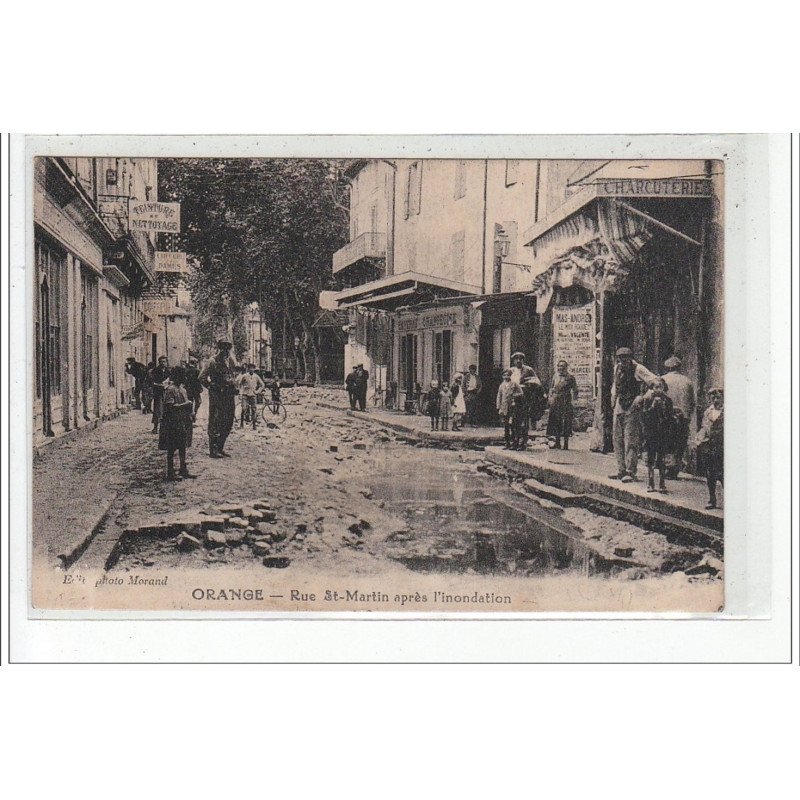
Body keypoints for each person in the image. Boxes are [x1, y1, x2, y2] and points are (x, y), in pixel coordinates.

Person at [609, 347, 657, 483]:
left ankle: (630, 471)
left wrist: (642, 397)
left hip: (632, 406)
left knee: (630, 439)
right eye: (620, 359)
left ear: (630, 358)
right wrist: (613, 396)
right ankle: (621, 469)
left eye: (625, 359)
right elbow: (615, 384)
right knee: (617, 438)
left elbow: (655, 382)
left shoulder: (639, 369)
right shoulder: (617, 368)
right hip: (619, 405)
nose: (622, 362)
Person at [199, 341, 237, 458]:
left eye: (228, 349)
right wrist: (211, 387)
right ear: (219, 349)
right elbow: (202, 377)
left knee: (228, 420)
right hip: (217, 396)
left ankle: (220, 447)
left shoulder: (231, 361)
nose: (225, 352)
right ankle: (213, 450)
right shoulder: (212, 361)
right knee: (216, 421)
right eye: (223, 349)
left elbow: (232, 376)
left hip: (229, 395)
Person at [158, 366, 196, 481]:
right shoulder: (170, 389)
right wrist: (185, 405)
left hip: (182, 421)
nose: (184, 377)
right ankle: (170, 472)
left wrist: (191, 413)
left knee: (182, 446)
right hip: (172, 422)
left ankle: (183, 469)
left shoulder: (182, 389)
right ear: (176, 376)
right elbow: (170, 407)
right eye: (181, 375)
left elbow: (186, 404)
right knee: (172, 447)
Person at [661, 355, 696, 478]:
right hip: (683, 418)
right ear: (679, 367)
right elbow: (692, 402)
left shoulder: (662, 379)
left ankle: (667, 468)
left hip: (667, 417)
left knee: (667, 442)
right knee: (679, 443)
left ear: (667, 368)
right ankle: (674, 469)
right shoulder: (687, 381)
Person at [642, 378, 675, 493]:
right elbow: (644, 416)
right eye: (656, 387)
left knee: (661, 459)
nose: (658, 389)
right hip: (651, 434)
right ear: (652, 389)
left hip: (663, 433)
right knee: (650, 458)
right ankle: (651, 482)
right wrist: (653, 407)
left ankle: (662, 483)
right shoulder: (647, 400)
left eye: (660, 387)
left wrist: (663, 410)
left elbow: (670, 418)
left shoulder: (668, 400)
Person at [696, 387, 724, 509]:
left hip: (722, 447)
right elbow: (704, 427)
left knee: (724, 474)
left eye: (718, 397)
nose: (715, 399)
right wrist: (699, 438)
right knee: (710, 474)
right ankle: (712, 499)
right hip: (709, 447)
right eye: (713, 397)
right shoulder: (708, 412)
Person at [509, 352, 543, 450]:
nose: (518, 361)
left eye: (520, 359)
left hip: (524, 399)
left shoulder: (529, 370)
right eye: (516, 359)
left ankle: (523, 443)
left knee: (523, 422)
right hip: (513, 399)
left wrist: (527, 384)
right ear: (513, 360)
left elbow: (537, 382)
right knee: (513, 421)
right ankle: (514, 442)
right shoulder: (511, 370)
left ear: (523, 360)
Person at [546, 360, 579, 450]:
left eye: (563, 366)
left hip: (565, 401)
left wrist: (574, 401)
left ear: (566, 367)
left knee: (566, 422)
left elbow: (575, 390)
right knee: (556, 421)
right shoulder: (555, 376)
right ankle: (557, 442)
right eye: (559, 366)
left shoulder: (570, 377)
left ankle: (566, 443)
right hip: (556, 401)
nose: (560, 368)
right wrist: (550, 398)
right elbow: (551, 388)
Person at [496, 368, 523, 449]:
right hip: (504, 408)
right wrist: (499, 407)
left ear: (510, 375)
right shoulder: (502, 385)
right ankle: (507, 443)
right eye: (504, 375)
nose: (506, 377)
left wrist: (514, 396)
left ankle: (515, 443)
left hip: (512, 407)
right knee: (506, 426)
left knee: (513, 426)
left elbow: (521, 393)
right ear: (502, 376)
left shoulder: (514, 384)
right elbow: (499, 396)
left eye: (508, 375)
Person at [237, 363, 265, 429]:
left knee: (254, 410)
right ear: (248, 369)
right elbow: (239, 384)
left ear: (254, 369)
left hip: (253, 395)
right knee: (244, 409)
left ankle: (254, 425)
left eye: (253, 368)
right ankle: (241, 423)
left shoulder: (256, 376)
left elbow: (262, 385)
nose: (251, 369)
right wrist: (240, 393)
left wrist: (257, 391)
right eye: (250, 368)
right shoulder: (244, 376)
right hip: (245, 395)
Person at [149, 356, 170, 434]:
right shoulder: (155, 370)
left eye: (164, 361)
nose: (163, 363)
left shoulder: (168, 371)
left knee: (167, 410)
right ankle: (155, 427)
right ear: (159, 362)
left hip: (167, 393)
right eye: (161, 362)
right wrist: (158, 384)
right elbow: (152, 381)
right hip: (158, 392)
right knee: (157, 410)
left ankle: (166, 429)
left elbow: (170, 380)